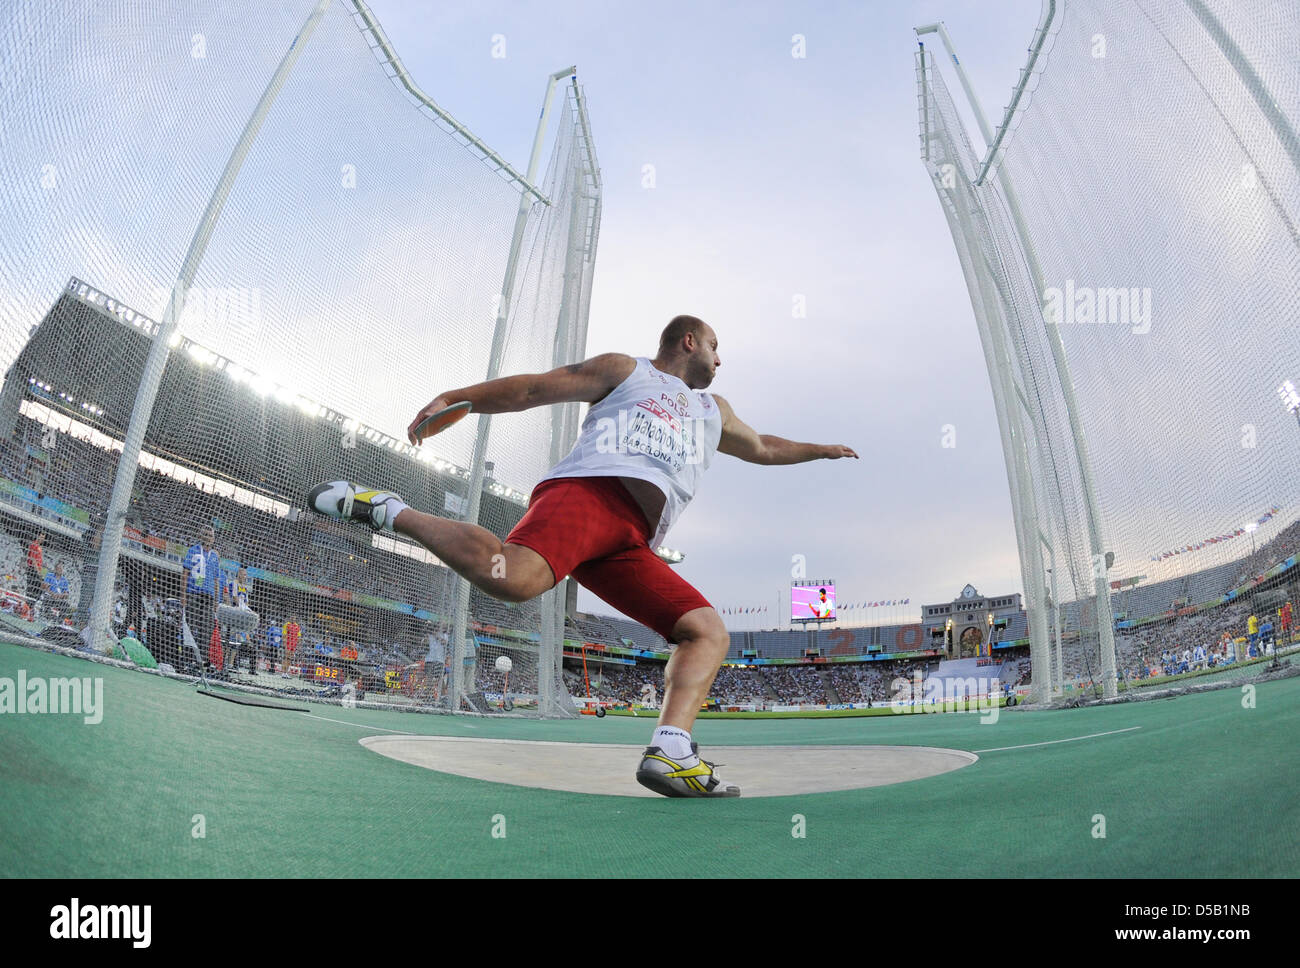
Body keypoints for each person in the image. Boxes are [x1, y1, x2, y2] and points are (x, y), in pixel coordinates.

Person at [307, 315, 858, 797]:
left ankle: (671, 750)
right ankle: (387, 509)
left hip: (634, 538)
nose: (723, 357)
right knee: (514, 577)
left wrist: (821, 450)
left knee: (707, 631)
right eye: (717, 345)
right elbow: (536, 390)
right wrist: (459, 396)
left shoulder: (715, 409)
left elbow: (762, 446)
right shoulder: (629, 370)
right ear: (689, 341)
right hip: (589, 494)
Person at [181, 524, 221, 670]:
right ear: (200, 536)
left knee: (207, 628)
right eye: (205, 535)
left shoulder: (215, 556)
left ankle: (203, 660)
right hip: (193, 593)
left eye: (210, 536)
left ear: (213, 539)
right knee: (192, 626)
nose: (208, 538)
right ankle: (190, 659)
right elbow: (185, 573)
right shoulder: (193, 550)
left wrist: (216, 600)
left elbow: (216, 579)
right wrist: (183, 595)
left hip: (208, 596)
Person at [25, 531, 46, 604]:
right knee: (34, 588)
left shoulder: (39, 547)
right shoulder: (34, 545)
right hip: (33, 570)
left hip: (37, 570)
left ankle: (31, 604)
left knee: (38, 589)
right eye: (41, 537)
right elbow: (33, 559)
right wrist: (38, 573)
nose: (42, 539)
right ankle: (29, 604)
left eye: (43, 538)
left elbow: (38, 561)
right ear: (37, 536)